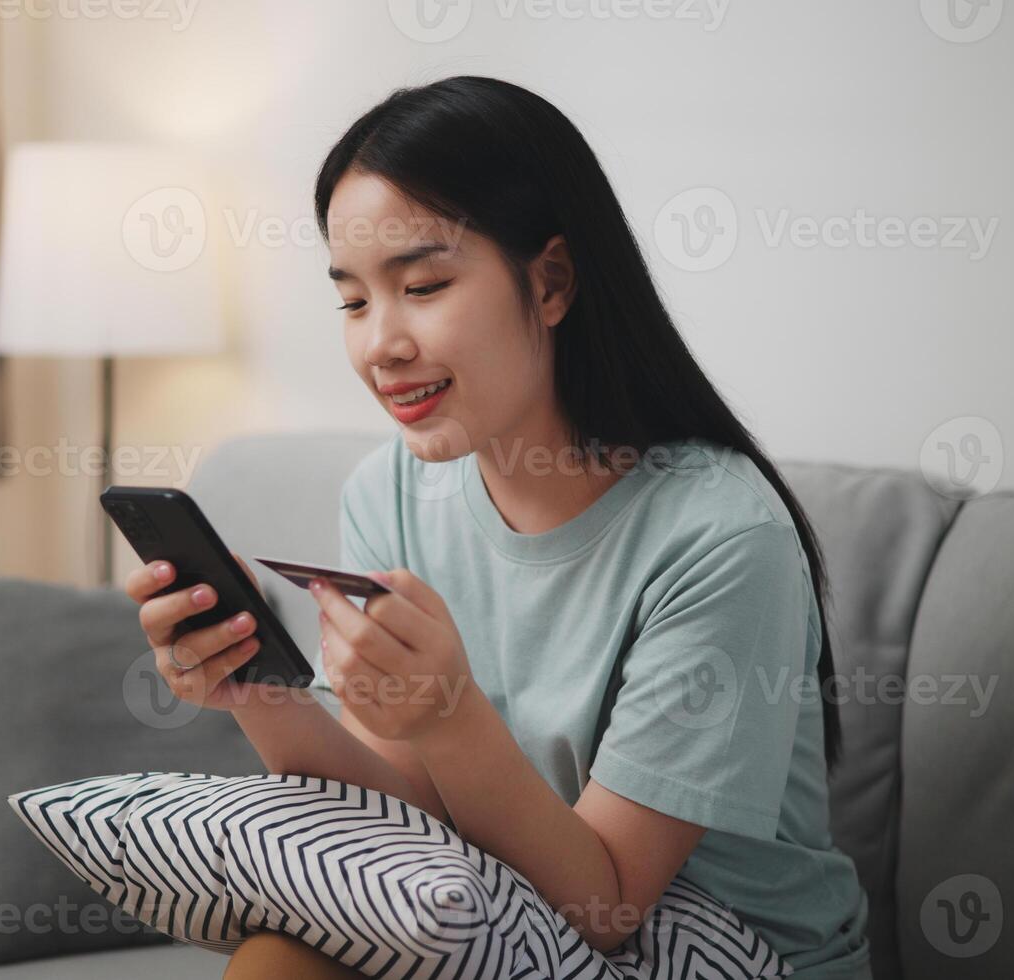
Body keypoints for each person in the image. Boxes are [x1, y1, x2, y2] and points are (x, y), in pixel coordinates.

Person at [122, 75, 871, 980]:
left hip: (718, 949)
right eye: (353, 301)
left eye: (424, 285)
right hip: (508, 915)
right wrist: (253, 685)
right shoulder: (388, 494)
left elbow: (607, 904)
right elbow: (397, 825)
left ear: (550, 281)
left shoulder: (719, 535)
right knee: (279, 955)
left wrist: (449, 716)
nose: (379, 345)